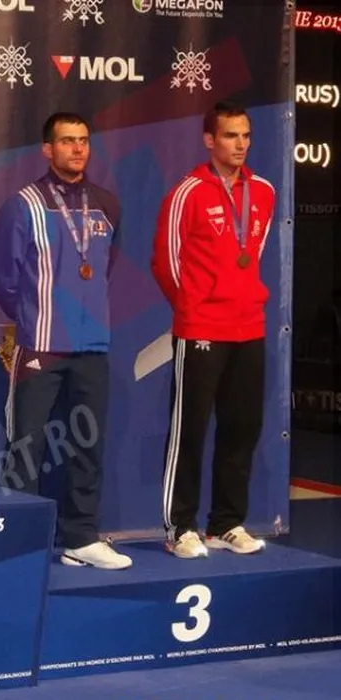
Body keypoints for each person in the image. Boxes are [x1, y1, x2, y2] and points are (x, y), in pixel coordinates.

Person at [0, 112, 131, 570]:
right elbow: (3, 278)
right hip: (41, 344)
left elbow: (103, 269)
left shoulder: (106, 205)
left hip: (92, 345)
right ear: (47, 149)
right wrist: (34, 317)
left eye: (83, 140)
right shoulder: (23, 205)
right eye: (67, 141)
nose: (77, 149)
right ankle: (18, 545)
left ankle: (81, 537)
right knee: (26, 447)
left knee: (88, 445)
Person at [151, 101, 276, 559]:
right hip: (202, 326)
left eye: (246, 135)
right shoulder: (187, 193)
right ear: (209, 140)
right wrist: (194, 309)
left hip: (249, 327)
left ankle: (226, 523)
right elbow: (166, 261)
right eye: (230, 135)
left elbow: (252, 253)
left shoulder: (263, 191)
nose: (240, 144)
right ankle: (179, 527)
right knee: (190, 431)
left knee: (242, 428)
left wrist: (241, 299)